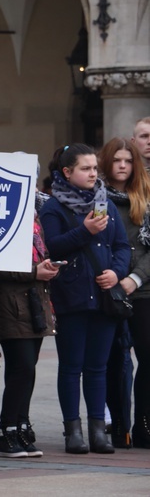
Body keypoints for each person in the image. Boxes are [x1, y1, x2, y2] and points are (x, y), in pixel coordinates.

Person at [40, 143, 131, 455]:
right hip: (72, 297)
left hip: (104, 298)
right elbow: (51, 247)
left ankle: (97, 431)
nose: (93, 173)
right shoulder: (54, 207)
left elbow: (121, 246)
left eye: (95, 168)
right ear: (67, 172)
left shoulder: (104, 201)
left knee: (98, 367)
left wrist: (116, 273)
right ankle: (72, 431)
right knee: (71, 366)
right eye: (86, 168)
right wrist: (87, 230)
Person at [0, 159, 58, 458]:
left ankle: (21, 423)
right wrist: (35, 272)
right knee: (21, 368)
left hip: (36, 301)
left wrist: (46, 268)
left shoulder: (36, 212)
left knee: (27, 370)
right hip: (10, 303)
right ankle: (8, 431)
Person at [98, 137, 150, 448]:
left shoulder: (145, 197)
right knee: (114, 361)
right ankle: (118, 425)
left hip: (143, 289)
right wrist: (117, 277)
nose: (122, 165)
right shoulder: (95, 197)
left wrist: (135, 278)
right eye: (117, 160)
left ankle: (143, 423)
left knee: (148, 356)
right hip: (108, 287)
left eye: (128, 161)